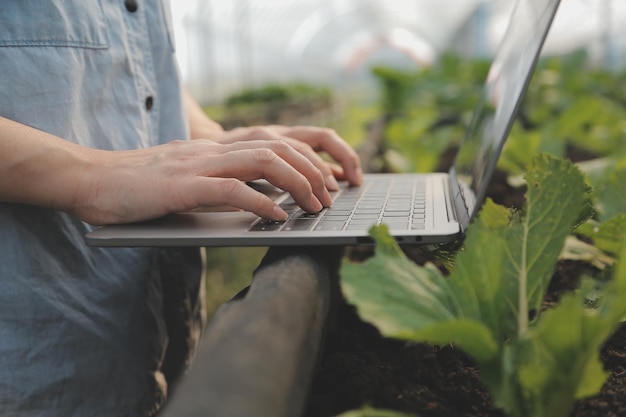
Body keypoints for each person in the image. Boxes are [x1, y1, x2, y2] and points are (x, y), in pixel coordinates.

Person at [0, 1, 362, 416]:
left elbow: (137, 56)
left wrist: (213, 136)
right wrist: (93, 175)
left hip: (150, 331)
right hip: (30, 354)